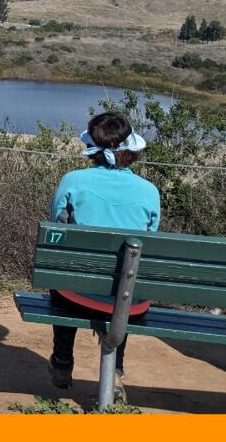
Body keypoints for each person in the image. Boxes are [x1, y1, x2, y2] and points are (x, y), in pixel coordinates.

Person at [46, 112, 162, 402]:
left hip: (76, 296)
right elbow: (150, 238)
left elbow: (56, 226)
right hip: (127, 304)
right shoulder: (149, 192)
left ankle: (62, 359)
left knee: (64, 276)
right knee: (127, 282)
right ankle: (115, 372)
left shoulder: (73, 180)